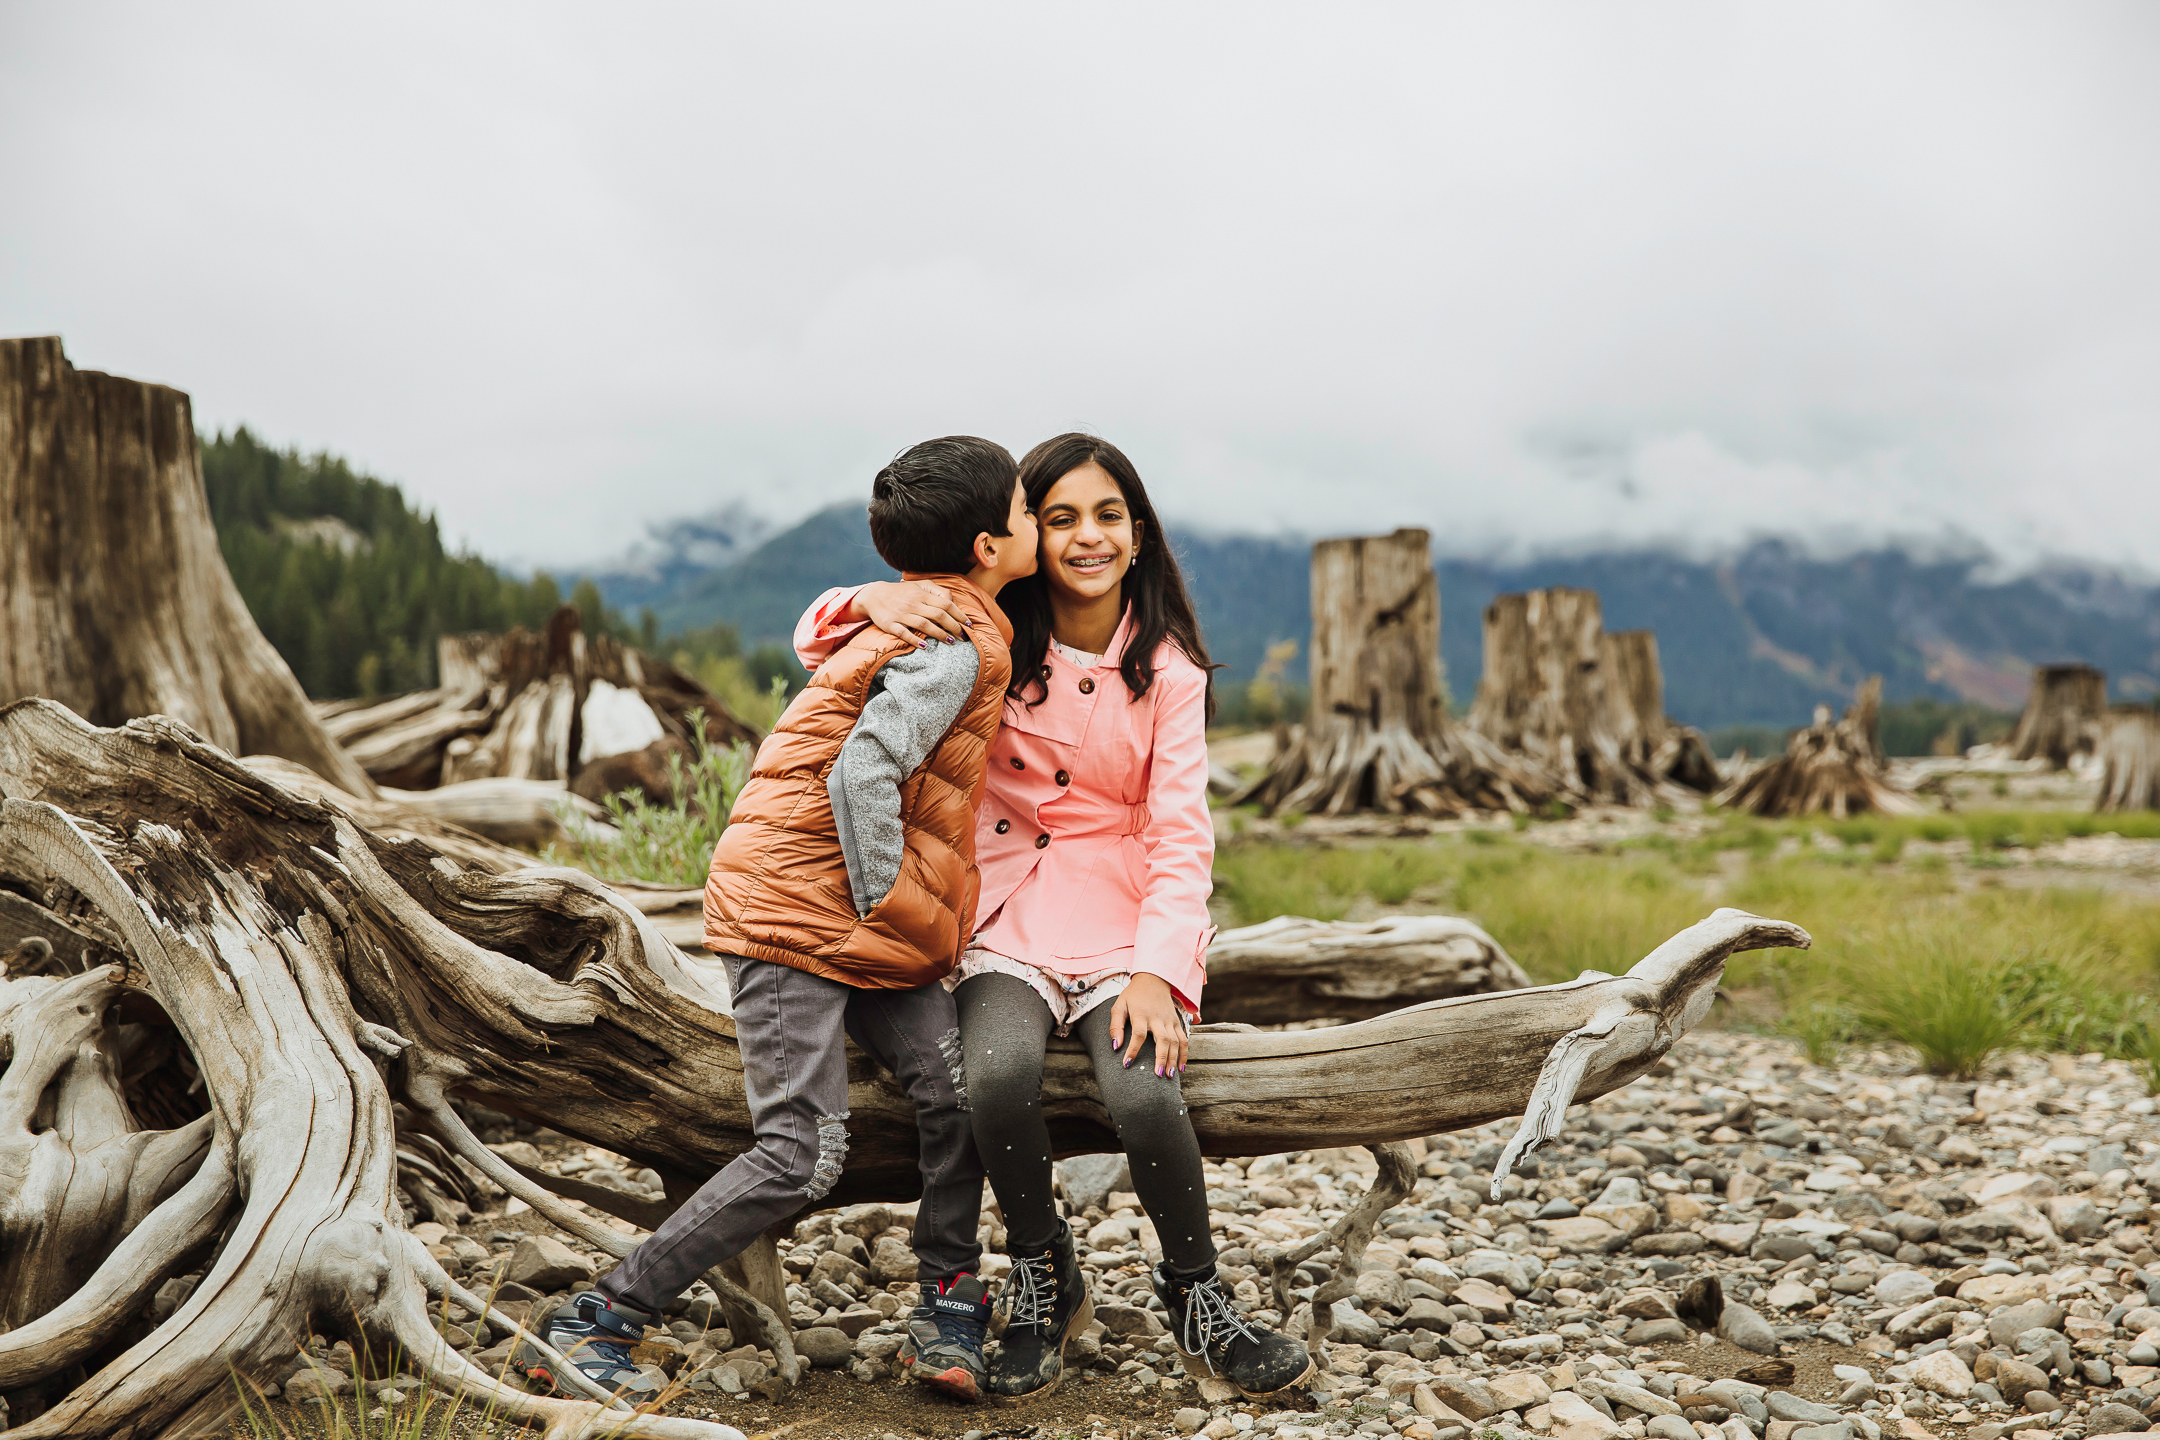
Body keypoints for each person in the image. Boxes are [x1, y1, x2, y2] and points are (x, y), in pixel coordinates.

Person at [793, 433, 1312, 1400]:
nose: (1085, 536)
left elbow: (1180, 831)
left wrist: (1160, 969)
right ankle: (1042, 1275)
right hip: (1005, 910)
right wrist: (870, 597)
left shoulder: (1171, 670)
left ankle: (1198, 1298)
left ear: (1140, 531)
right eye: (1060, 516)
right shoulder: (984, 629)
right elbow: (821, 637)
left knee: (1149, 1092)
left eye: (1107, 515)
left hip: (1125, 919)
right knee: (992, 1079)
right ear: (1026, 533)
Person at [524, 435, 1038, 1405]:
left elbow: (824, 645)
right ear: (984, 545)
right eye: (1023, 511)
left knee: (953, 1086)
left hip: (853, 921)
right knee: (803, 1150)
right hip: (800, 909)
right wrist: (887, 894)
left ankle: (947, 1299)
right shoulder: (953, 639)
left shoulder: (940, 616)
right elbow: (863, 770)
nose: (1035, 526)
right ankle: (596, 1317)